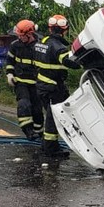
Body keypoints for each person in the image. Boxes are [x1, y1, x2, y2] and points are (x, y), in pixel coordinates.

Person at [34, 14, 79, 158]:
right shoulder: (59, 47)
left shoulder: (42, 42)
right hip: (53, 87)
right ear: (64, 30)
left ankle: (46, 145)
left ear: (50, 28)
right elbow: (69, 62)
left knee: (50, 115)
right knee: (54, 118)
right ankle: (51, 149)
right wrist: (83, 61)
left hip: (41, 84)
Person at [4, 19, 43, 140]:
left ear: (30, 34)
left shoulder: (39, 46)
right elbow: (10, 61)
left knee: (37, 110)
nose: (20, 38)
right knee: (24, 105)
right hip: (20, 82)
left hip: (36, 83)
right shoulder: (15, 45)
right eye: (18, 36)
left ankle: (39, 133)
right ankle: (28, 131)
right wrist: (9, 74)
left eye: (22, 36)